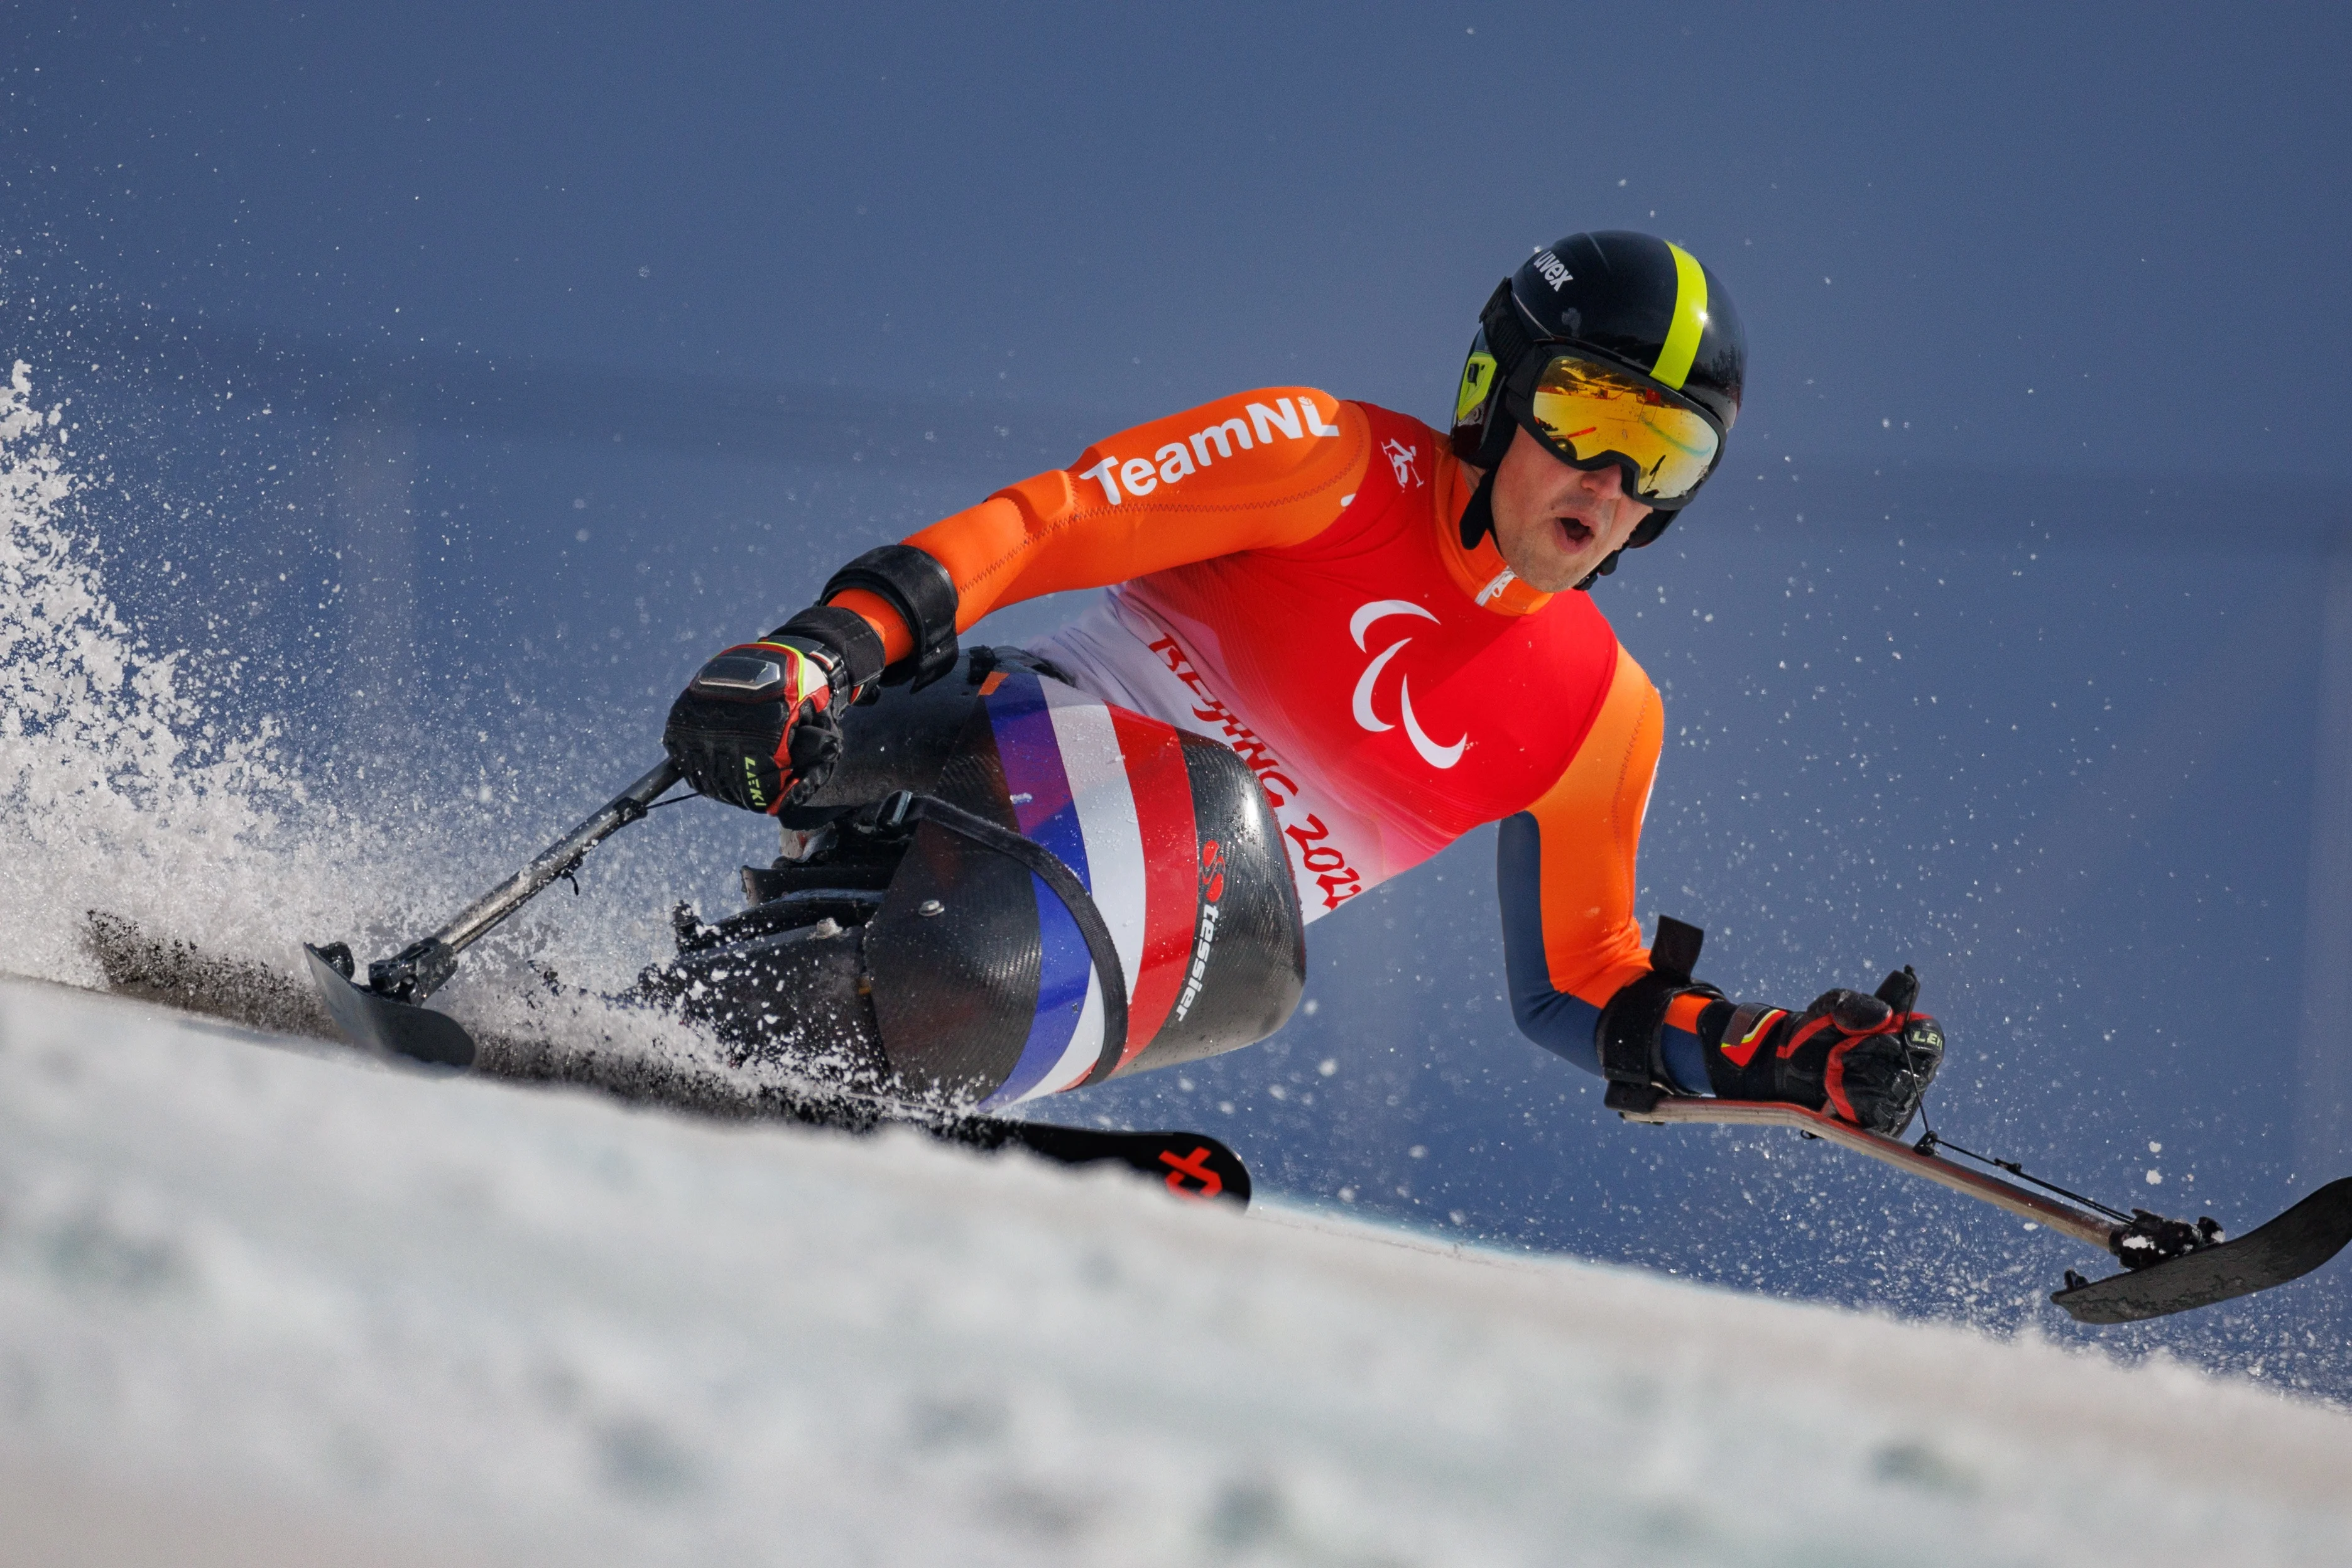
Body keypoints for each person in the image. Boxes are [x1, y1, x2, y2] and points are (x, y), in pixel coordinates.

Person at [660, 229, 1944, 1130]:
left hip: (1132, 940)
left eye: (1664, 455)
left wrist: (1771, 1056)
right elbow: (1047, 527)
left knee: (1249, 936)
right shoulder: (1324, 459)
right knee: (1224, 849)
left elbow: (1579, 982)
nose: (1610, 485)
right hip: (975, 756)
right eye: (1591, 419)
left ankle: (751, 1037)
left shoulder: (1606, 718)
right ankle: (742, 1024)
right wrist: (828, 646)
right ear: (1497, 391)